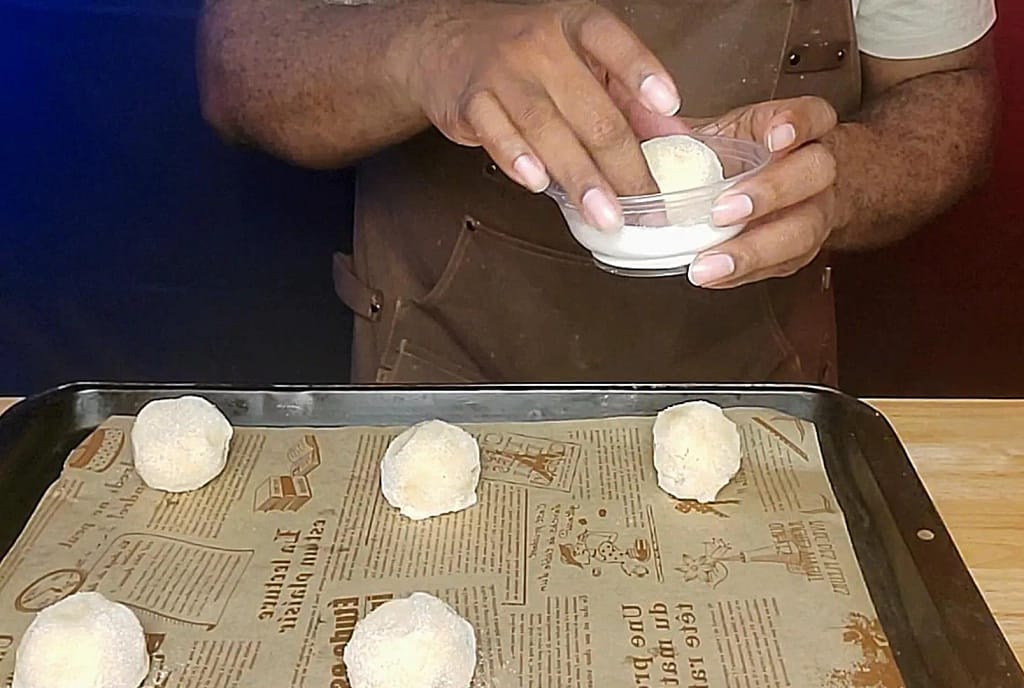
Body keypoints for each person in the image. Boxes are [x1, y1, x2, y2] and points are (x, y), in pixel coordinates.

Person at [196, 0, 998, 384]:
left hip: (763, 398)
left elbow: (950, 89)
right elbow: (237, 67)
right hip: (437, 384)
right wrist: (430, 53)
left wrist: (837, 181)